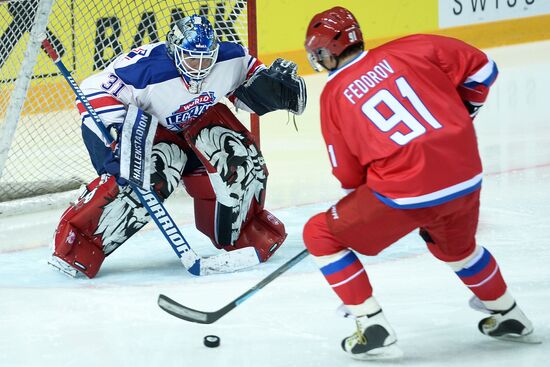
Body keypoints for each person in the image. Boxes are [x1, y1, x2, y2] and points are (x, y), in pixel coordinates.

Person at [302, 6, 534, 360]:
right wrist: (464, 111)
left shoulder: (334, 94)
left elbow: (348, 175)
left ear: (327, 51)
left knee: (320, 234)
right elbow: (483, 69)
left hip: (405, 190)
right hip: (465, 175)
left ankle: (372, 324)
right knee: (458, 250)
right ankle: (509, 315)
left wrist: (362, 200)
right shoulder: (410, 48)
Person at [48, 14, 306, 278]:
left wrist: (272, 89)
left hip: (197, 131)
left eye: (207, 59)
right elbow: (92, 89)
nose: (200, 66)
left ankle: (244, 231)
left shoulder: (231, 59)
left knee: (238, 159)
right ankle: (79, 241)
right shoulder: (144, 70)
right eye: (192, 58)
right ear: (174, 50)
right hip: (154, 135)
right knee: (146, 178)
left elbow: (247, 87)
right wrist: (116, 136)